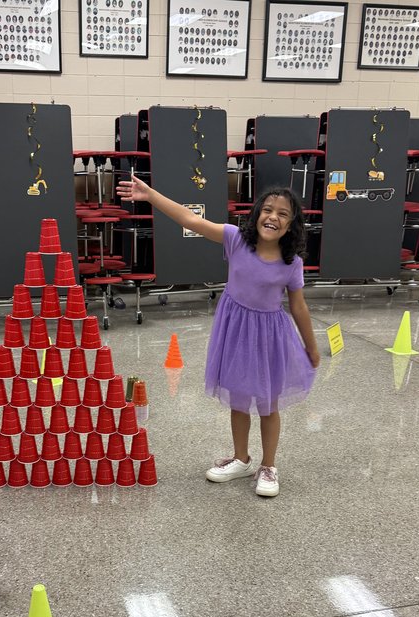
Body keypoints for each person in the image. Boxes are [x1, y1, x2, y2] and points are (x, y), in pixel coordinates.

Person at [116, 175, 320, 497]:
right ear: (256, 214)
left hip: (269, 337)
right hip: (236, 332)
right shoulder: (235, 239)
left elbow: (299, 307)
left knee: (268, 404)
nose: (273, 217)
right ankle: (242, 459)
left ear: (292, 224)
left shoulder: (290, 262)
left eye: (283, 214)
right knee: (238, 399)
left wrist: (311, 347)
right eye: (268, 209)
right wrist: (150, 194)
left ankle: (269, 465)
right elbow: (189, 219)